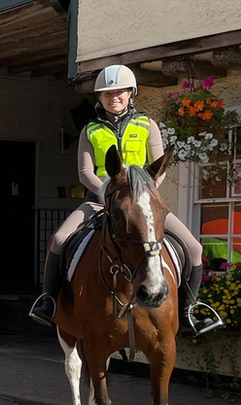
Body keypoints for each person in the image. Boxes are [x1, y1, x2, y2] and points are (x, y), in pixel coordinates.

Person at [29, 64, 221, 336]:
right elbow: (85, 172)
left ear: (131, 93)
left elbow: (158, 168)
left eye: (119, 92)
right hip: (99, 200)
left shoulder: (147, 125)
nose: (113, 97)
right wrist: (110, 193)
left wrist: (141, 195)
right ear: (99, 98)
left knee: (193, 247)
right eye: (107, 93)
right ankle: (48, 302)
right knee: (59, 240)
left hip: (142, 204)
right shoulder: (90, 130)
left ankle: (189, 311)